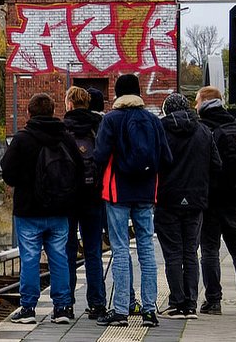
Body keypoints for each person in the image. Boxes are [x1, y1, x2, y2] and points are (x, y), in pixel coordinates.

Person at [92, 74, 172, 327]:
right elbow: (167, 158)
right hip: (147, 194)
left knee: (120, 248)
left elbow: (100, 155)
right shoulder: (152, 120)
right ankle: (149, 310)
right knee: (147, 249)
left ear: (117, 94)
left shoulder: (111, 120)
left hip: (117, 193)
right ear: (138, 92)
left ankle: (120, 311)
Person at [0, 93, 81, 324]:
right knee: (60, 258)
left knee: (30, 259)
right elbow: (77, 169)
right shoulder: (64, 138)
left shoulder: (23, 139)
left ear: (29, 112)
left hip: (28, 211)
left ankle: (28, 309)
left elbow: (7, 172)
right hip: (59, 210)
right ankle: (63, 307)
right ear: (53, 111)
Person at [195, 85, 236, 316]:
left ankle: (213, 301)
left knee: (210, 251)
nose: (195, 106)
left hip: (210, 201)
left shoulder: (203, 127)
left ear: (204, 101)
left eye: (197, 101)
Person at [156, 93, 220, 319]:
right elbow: (216, 164)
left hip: (167, 200)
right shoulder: (204, 131)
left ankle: (176, 303)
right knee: (191, 252)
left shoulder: (160, 128)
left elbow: (154, 162)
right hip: (196, 201)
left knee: (173, 253)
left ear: (166, 110)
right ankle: (191, 304)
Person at [62, 86, 108, 320]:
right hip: (94, 196)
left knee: (67, 252)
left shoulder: (62, 129)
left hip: (68, 199)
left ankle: (66, 305)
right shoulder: (98, 127)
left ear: (69, 103)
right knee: (93, 252)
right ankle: (97, 304)